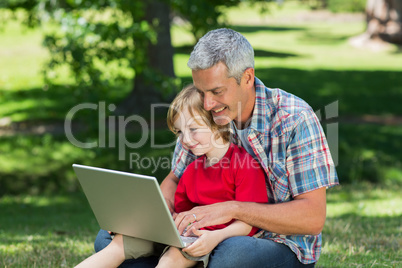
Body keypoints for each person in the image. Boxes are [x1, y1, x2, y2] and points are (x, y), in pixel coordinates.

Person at [95, 28, 339, 267]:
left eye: (217, 91)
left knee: (231, 254)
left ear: (247, 78)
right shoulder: (204, 112)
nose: (209, 103)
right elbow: (174, 179)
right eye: (201, 91)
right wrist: (154, 217)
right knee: (107, 240)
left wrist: (231, 210)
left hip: (276, 243)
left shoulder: (294, 118)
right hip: (203, 235)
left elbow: (312, 218)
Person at [76, 84, 268, 268]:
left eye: (193, 129)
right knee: (117, 245)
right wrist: (137, 221)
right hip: (183, 237)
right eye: (180, 132)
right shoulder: (191, 170)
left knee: (172, 258)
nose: (185, 139)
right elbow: (177, 214)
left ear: (219, 123)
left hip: (210, 240)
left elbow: (247, 222)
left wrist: (215, 237)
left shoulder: (245, 167)